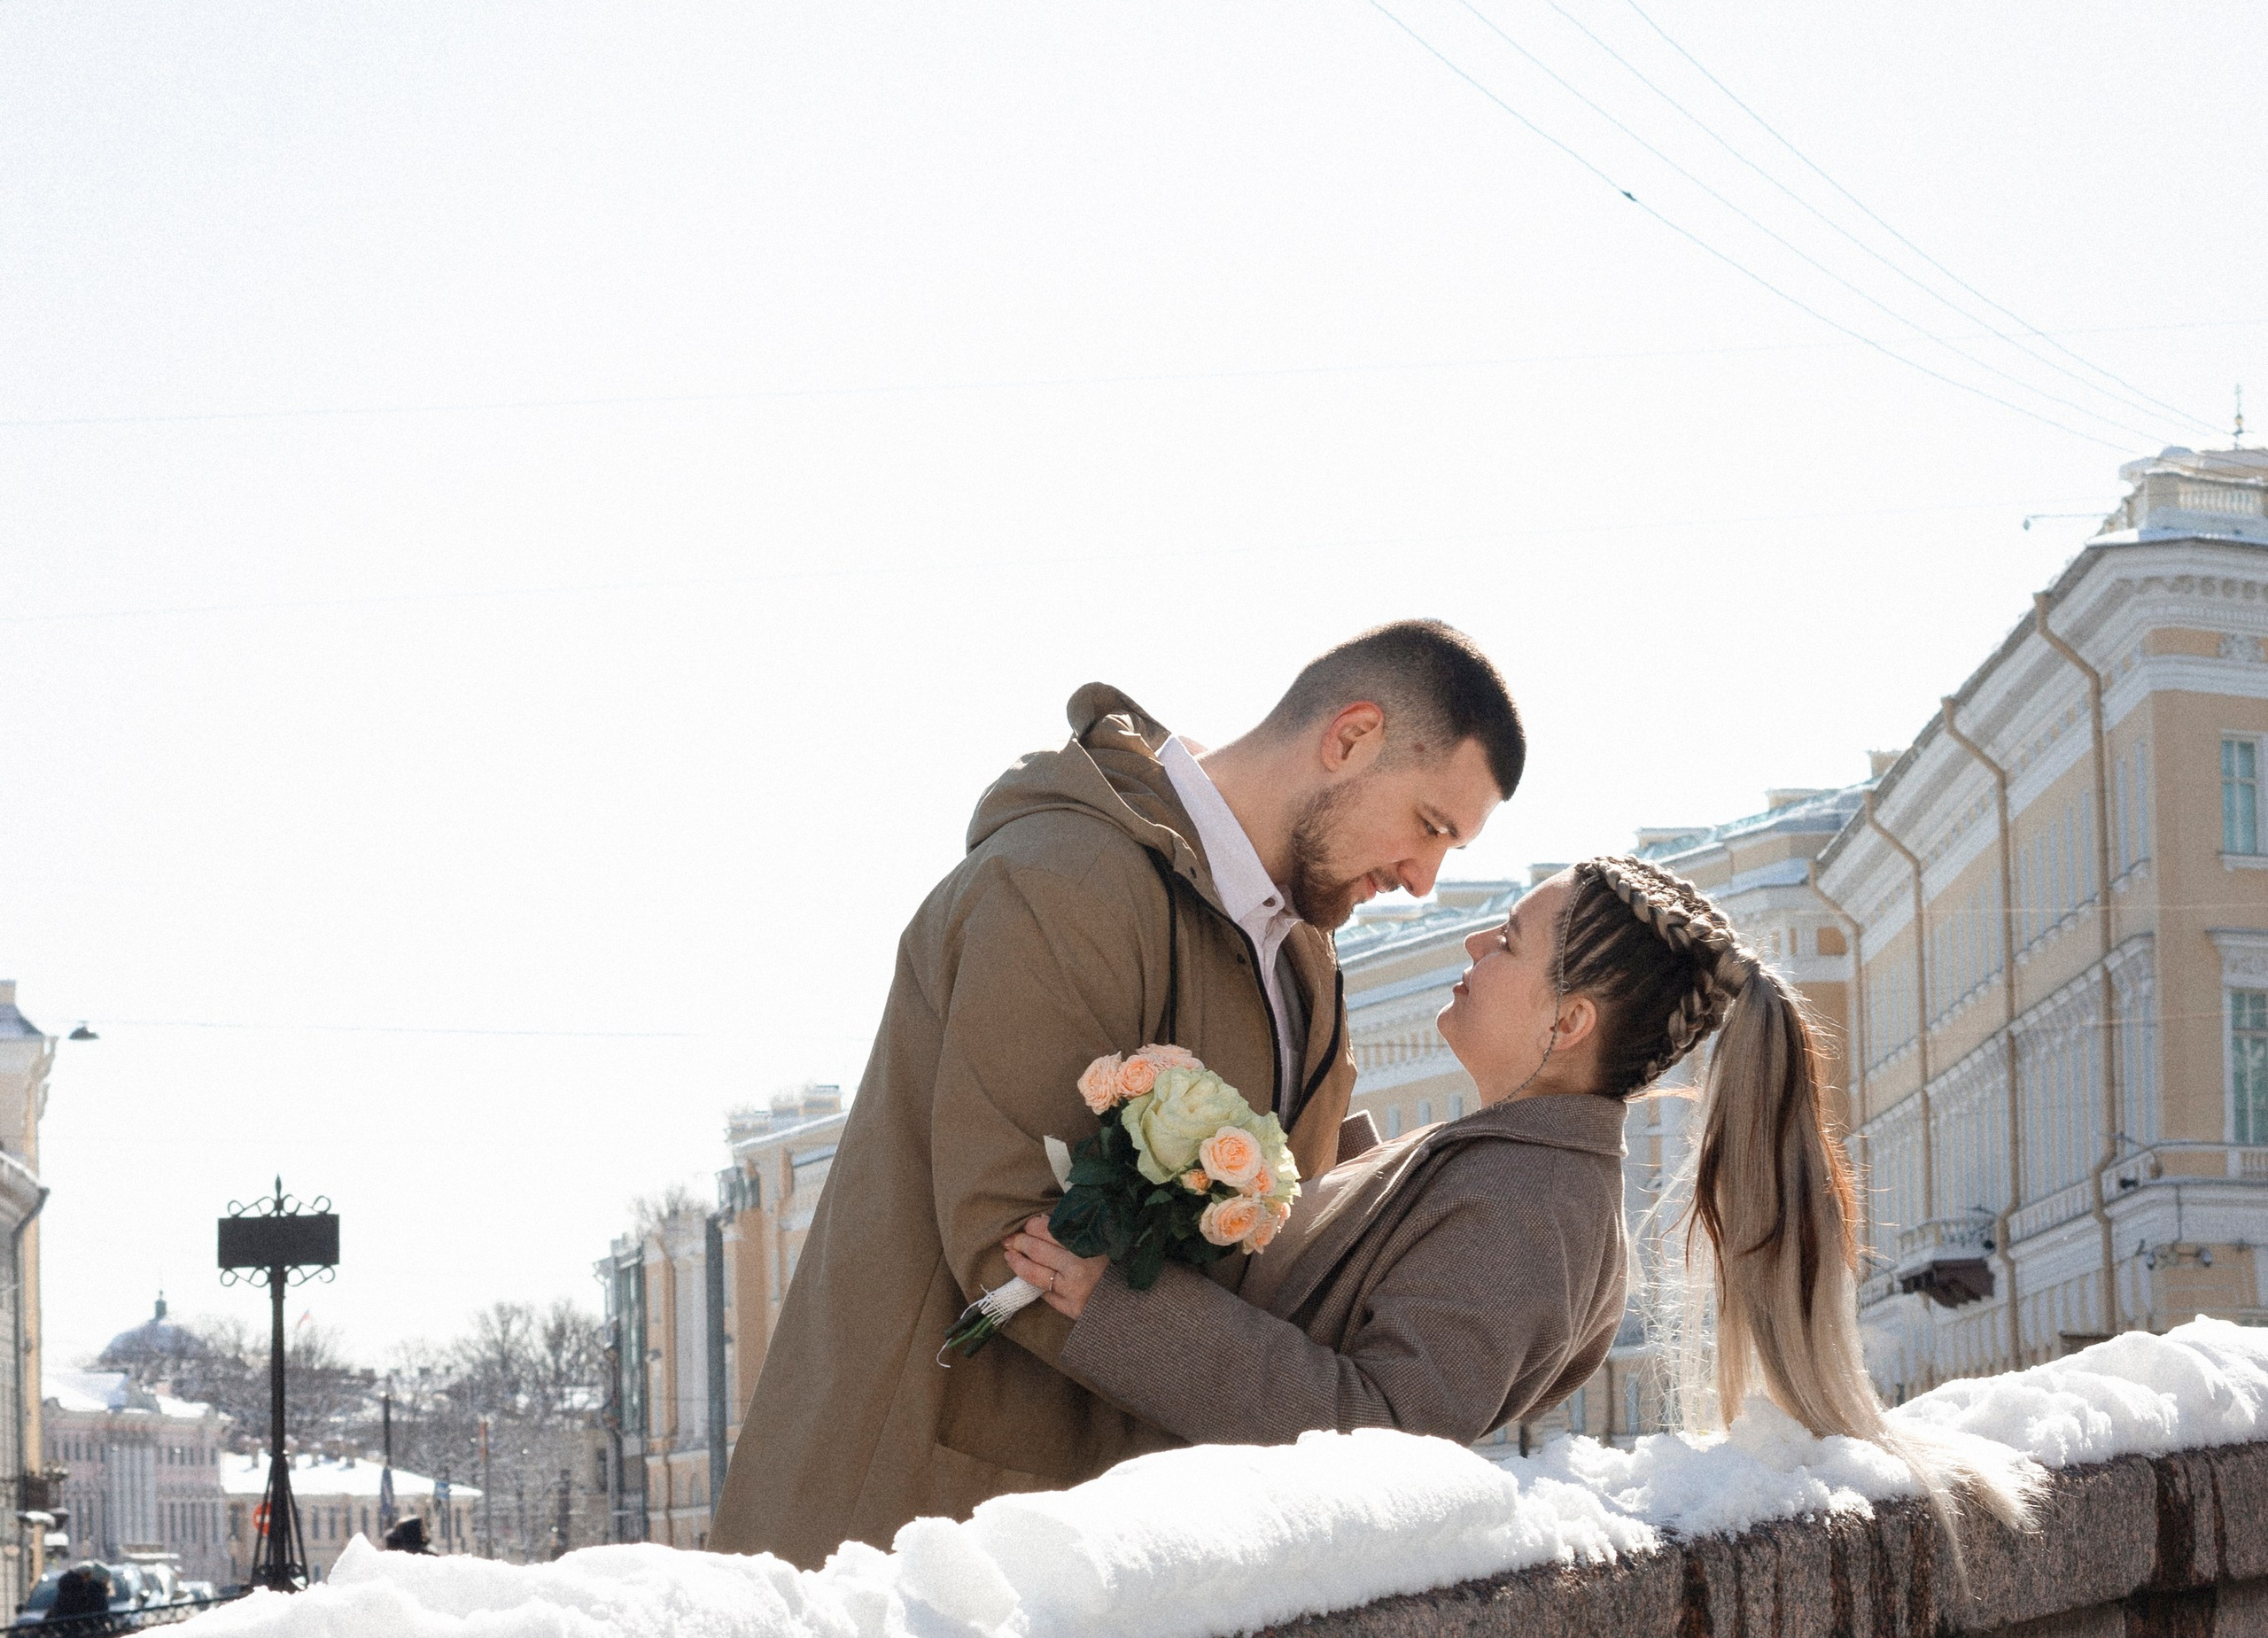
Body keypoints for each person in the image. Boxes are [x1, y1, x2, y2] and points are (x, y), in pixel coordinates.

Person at [711, 623, 1527, 1567]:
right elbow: (1015, 1236)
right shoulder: (1063, 883)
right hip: (920, 1543)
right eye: (1430, 825)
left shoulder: (1302, 947)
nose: (1424, 881)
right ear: (1349, 737)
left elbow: (1287, 1225)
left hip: (1113, 1543)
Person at [1004, 854, 2030, 1531]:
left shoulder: (1529, 1206)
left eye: (1504, 944)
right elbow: (1375, 1277)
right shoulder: (1512, 1165)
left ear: (1567, 1022)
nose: (1471, 950)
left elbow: (1385, 1433)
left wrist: (1122, 1310)